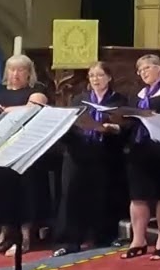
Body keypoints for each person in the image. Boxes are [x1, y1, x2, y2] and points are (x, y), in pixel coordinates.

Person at [0, 54, 50, 255]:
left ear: (29, 73)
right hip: (0, 149)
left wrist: (3, 110)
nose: (15, 74)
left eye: (20, 70)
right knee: (0, 192)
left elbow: (32, 109)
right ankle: (4, 233)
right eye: (11, 70)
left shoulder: (37, 90)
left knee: (25, 192)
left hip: (26, 150)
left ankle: (25, 238)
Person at [54, 61, 127, 257]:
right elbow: (70, 123)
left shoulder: (118, 100)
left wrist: (115, 129)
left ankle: (103, 236)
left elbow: (127, 125)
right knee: (73, 196)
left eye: (100, 75)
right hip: (78, 153)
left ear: (109, 78)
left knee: (103, 195)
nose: (96, 79)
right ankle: (72, 240)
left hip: (104, 153)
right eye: (92, 75)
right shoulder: (80, 99)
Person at [121, 54, 160, 260]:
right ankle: (138, 239)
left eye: (147, 68)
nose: (143, 73)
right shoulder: (137, 94)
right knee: (138, 195)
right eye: (140, 70)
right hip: (139, 148)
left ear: (159, 68)